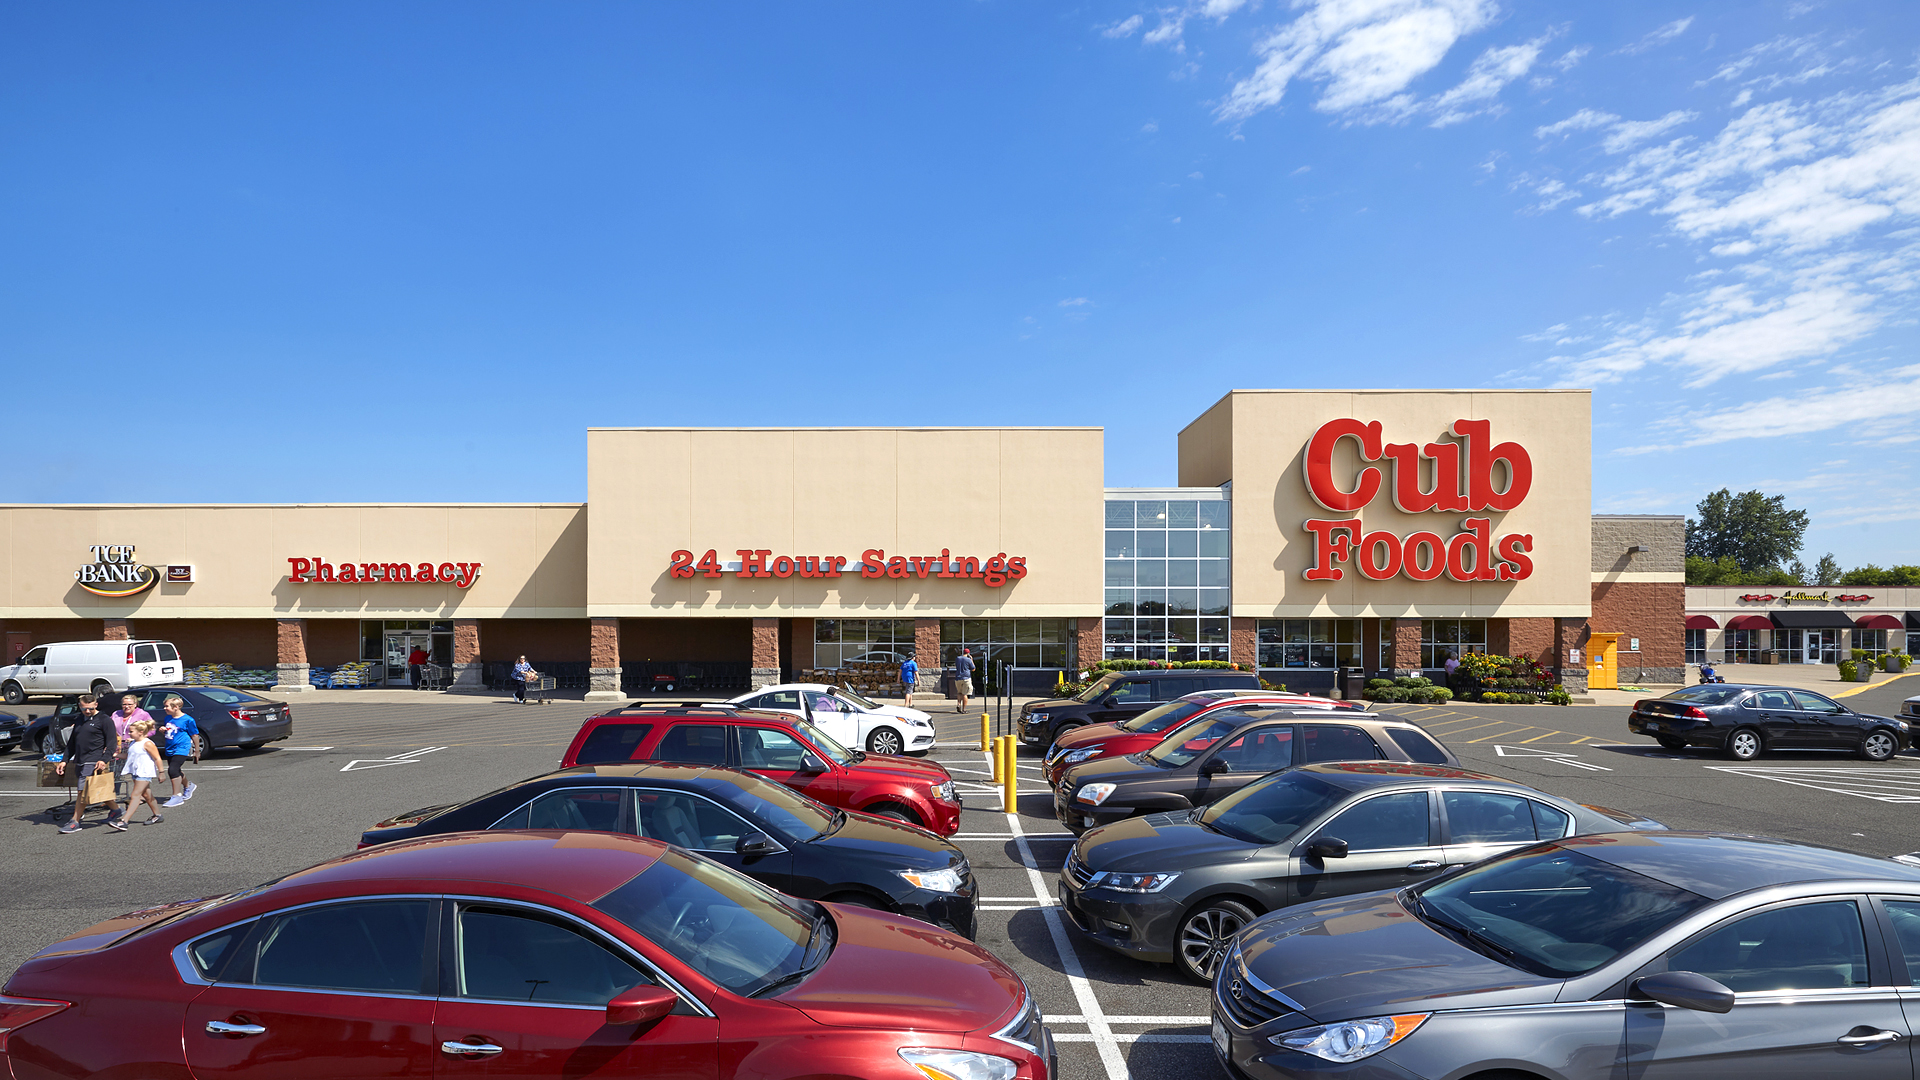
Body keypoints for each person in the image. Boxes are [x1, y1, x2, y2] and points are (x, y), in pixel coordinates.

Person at [56, 694, 120, 834]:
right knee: (93, 790)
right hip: (80, 760)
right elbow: (72, 743)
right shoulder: (79, 719)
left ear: (96, 705)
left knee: (82, 791)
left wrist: (104, 759)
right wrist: (64, 760)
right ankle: (116, 809)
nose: (88, 711)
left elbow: (111, 744)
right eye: (84, 709)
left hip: (93, 760)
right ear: (80, 706)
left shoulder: (104, 720)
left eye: (90, 708)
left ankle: (75, 821)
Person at [116, 719, 165, 827]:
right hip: (136, 772)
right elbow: (129, 756)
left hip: (144, 772)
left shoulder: (147, 743)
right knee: (147, 795)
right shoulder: (134, 743)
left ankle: (124, 821)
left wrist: (161, 772)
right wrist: (115, 756)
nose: (129, 733)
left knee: (135, 795)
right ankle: (157, 815)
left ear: (140, 732)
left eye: (131, 731)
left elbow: (157, 758)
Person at [157, 694, 201, 807]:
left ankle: (176, 796)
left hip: (182, 748)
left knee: (172, 770)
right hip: (169, 748)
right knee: (177, 770)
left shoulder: (188, 720)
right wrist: (163, 730)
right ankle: (189, 786)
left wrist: (197, 750)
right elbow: (170, 732)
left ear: (176, 707)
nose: (164, 708)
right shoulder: (168, 718)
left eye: (167, 706)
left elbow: (195, 735)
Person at [953, 648, 974, 713]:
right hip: (966, 678)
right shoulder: (968, 660)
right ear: (968, 653)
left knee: (959, 692)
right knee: (965, 694)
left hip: (958, 678)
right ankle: (964, 709)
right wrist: (971, 660)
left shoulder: (958, 658)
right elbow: (973, 669)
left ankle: (958, 704)